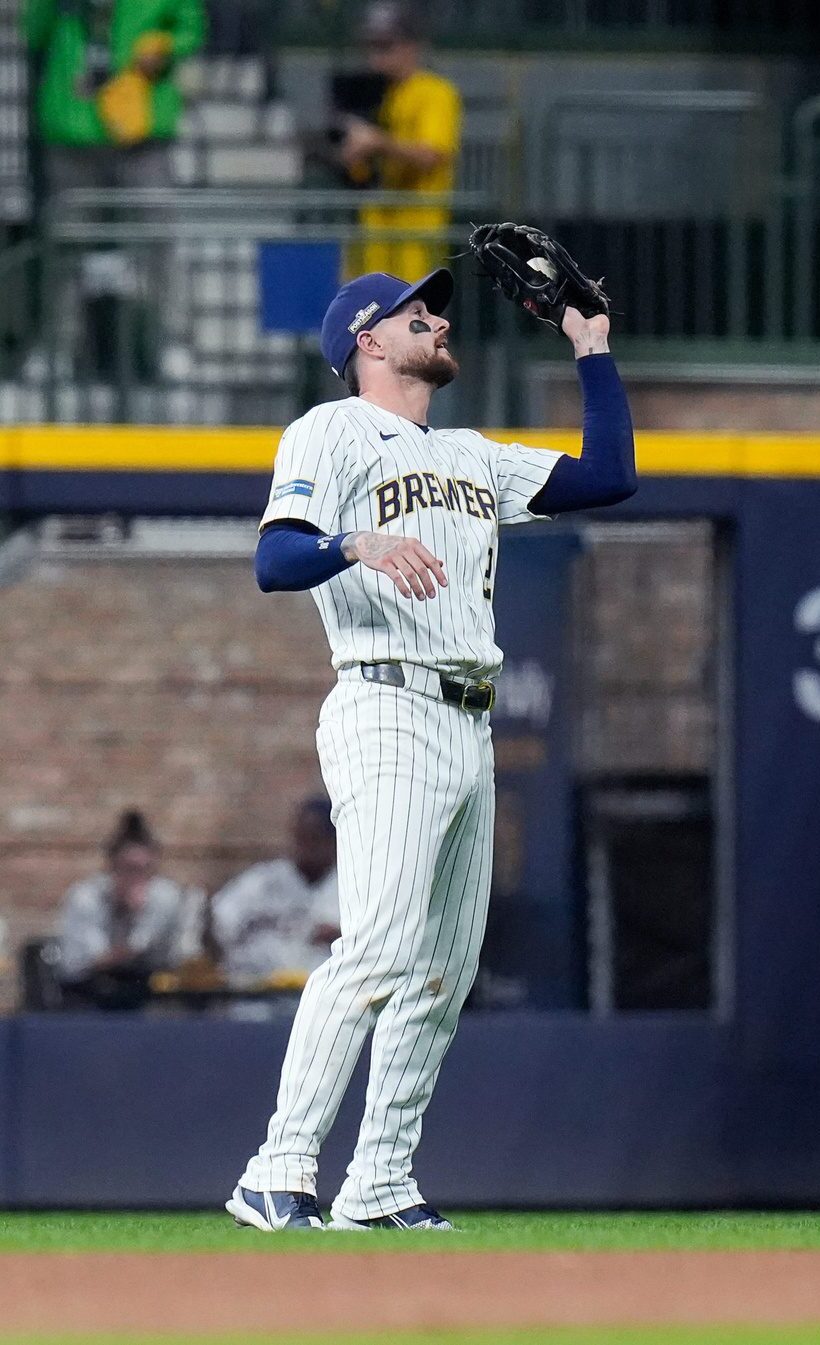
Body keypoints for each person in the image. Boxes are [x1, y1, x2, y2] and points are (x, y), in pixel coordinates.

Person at [225, 258, 636, 1232]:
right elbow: (275, 559)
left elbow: (609, 476)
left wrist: (591, 350)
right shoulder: (330, 429)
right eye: (418, 312)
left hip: (467, 717)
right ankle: (274, 1169)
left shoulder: (471, 453)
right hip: (386, 701)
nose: (438, 322)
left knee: (441, 970)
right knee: (374, 947)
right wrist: (355, 544)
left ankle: (379, 1184)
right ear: (366, 338)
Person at [23, 0, 206, 374]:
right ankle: (57, 345)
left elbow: (192, 25)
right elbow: (32, 30)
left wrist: (163, 46)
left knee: (158, 237)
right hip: (73, 126)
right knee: (65, 242)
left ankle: (173, 342)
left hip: (142, 125)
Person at [339, 2, 462, 281]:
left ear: (411, 46)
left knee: (414, 316)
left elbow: (432, 155)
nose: (375, 57)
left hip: (417, 235)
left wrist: (378, 142)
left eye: (385, 46)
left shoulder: (435, 92)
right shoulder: (376, 94)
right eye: (371, 47)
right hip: (374, 234)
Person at [55, 809, 196, 1007]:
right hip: (89, 995)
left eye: (145, 870)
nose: (136, 878)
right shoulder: (86, 898)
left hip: (149, 994)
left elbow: (168, 956)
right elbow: (93, 961)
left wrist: (140, 917)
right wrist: (126, 916)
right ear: (112, 867)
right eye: (129, 869)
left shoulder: (165, 897)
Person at [212, 797, 340, 987]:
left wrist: (334, 933)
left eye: (316, 837)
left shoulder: (348, 885)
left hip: (324, 998)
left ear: (333, 841)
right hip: (256, 998)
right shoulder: (264, 881)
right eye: (303, 836)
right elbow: (218, 922)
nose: (308, 846)